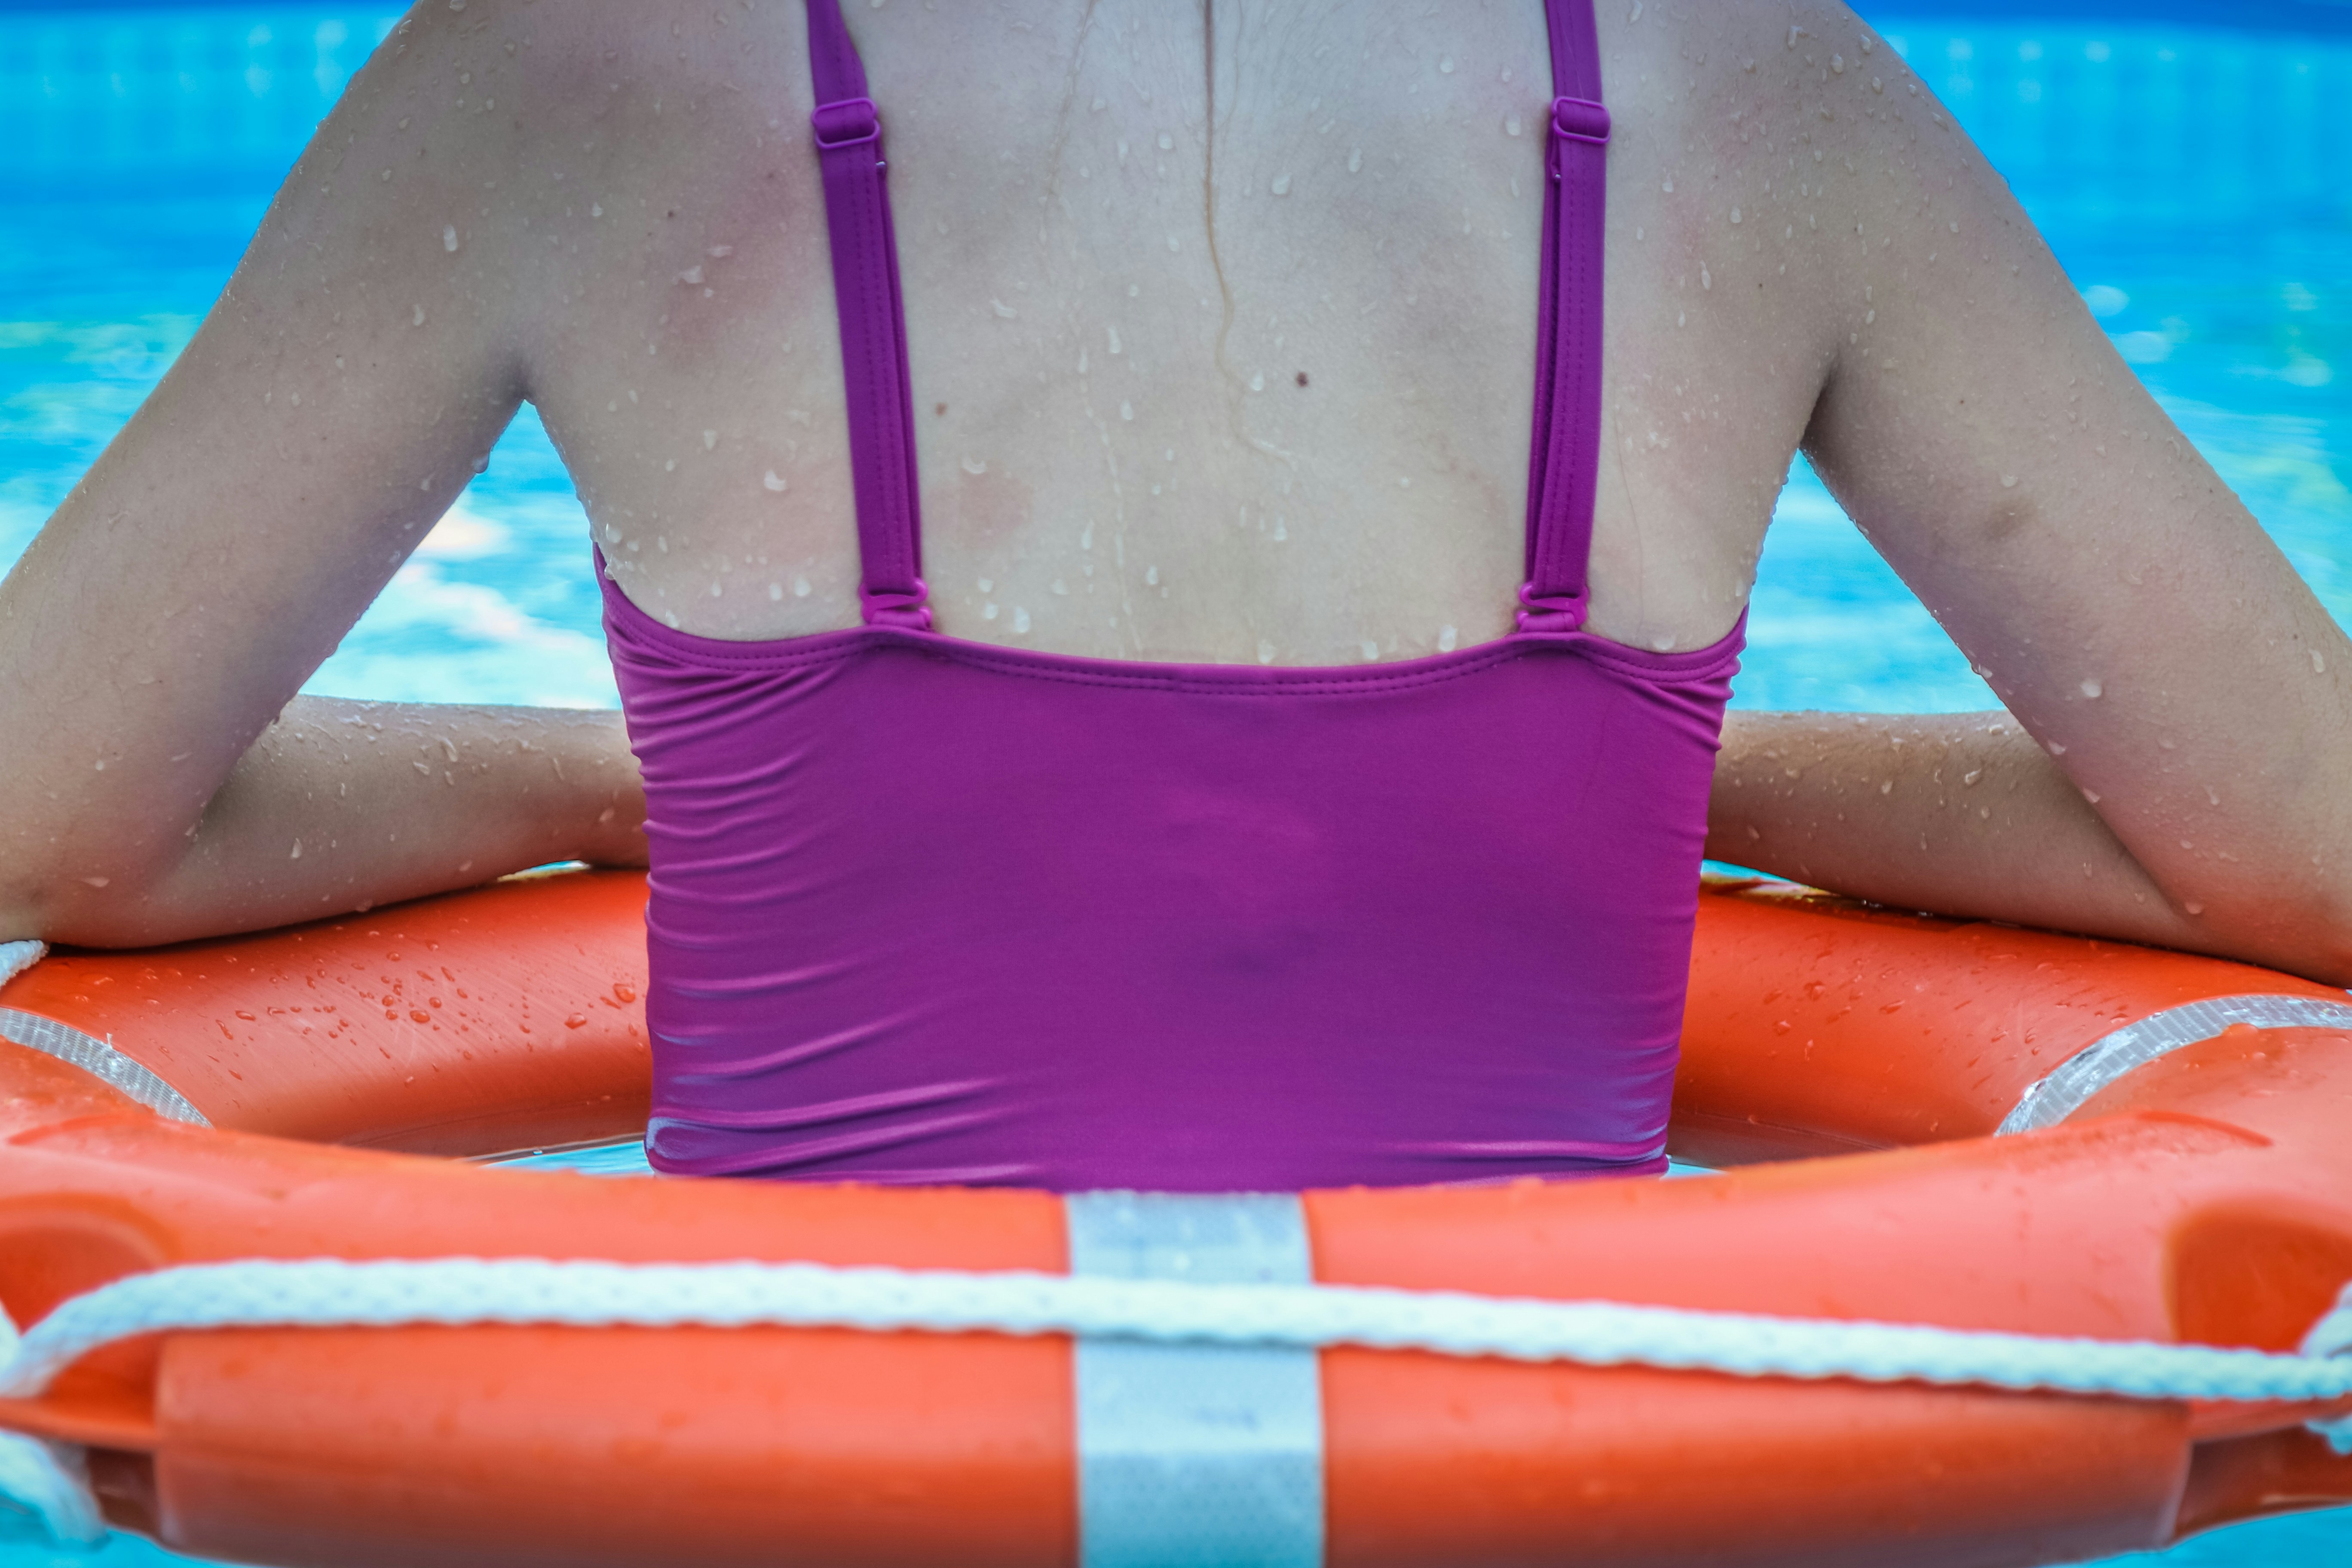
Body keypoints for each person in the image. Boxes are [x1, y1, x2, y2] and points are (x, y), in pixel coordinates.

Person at [2, 1, 2346, 1186]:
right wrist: (1624, 784)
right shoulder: (1759, 90)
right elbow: (2301, 847)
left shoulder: (560, 73)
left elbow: (58, 817)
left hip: (761, 1475)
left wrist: (663, 793)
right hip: (1564, 1485)